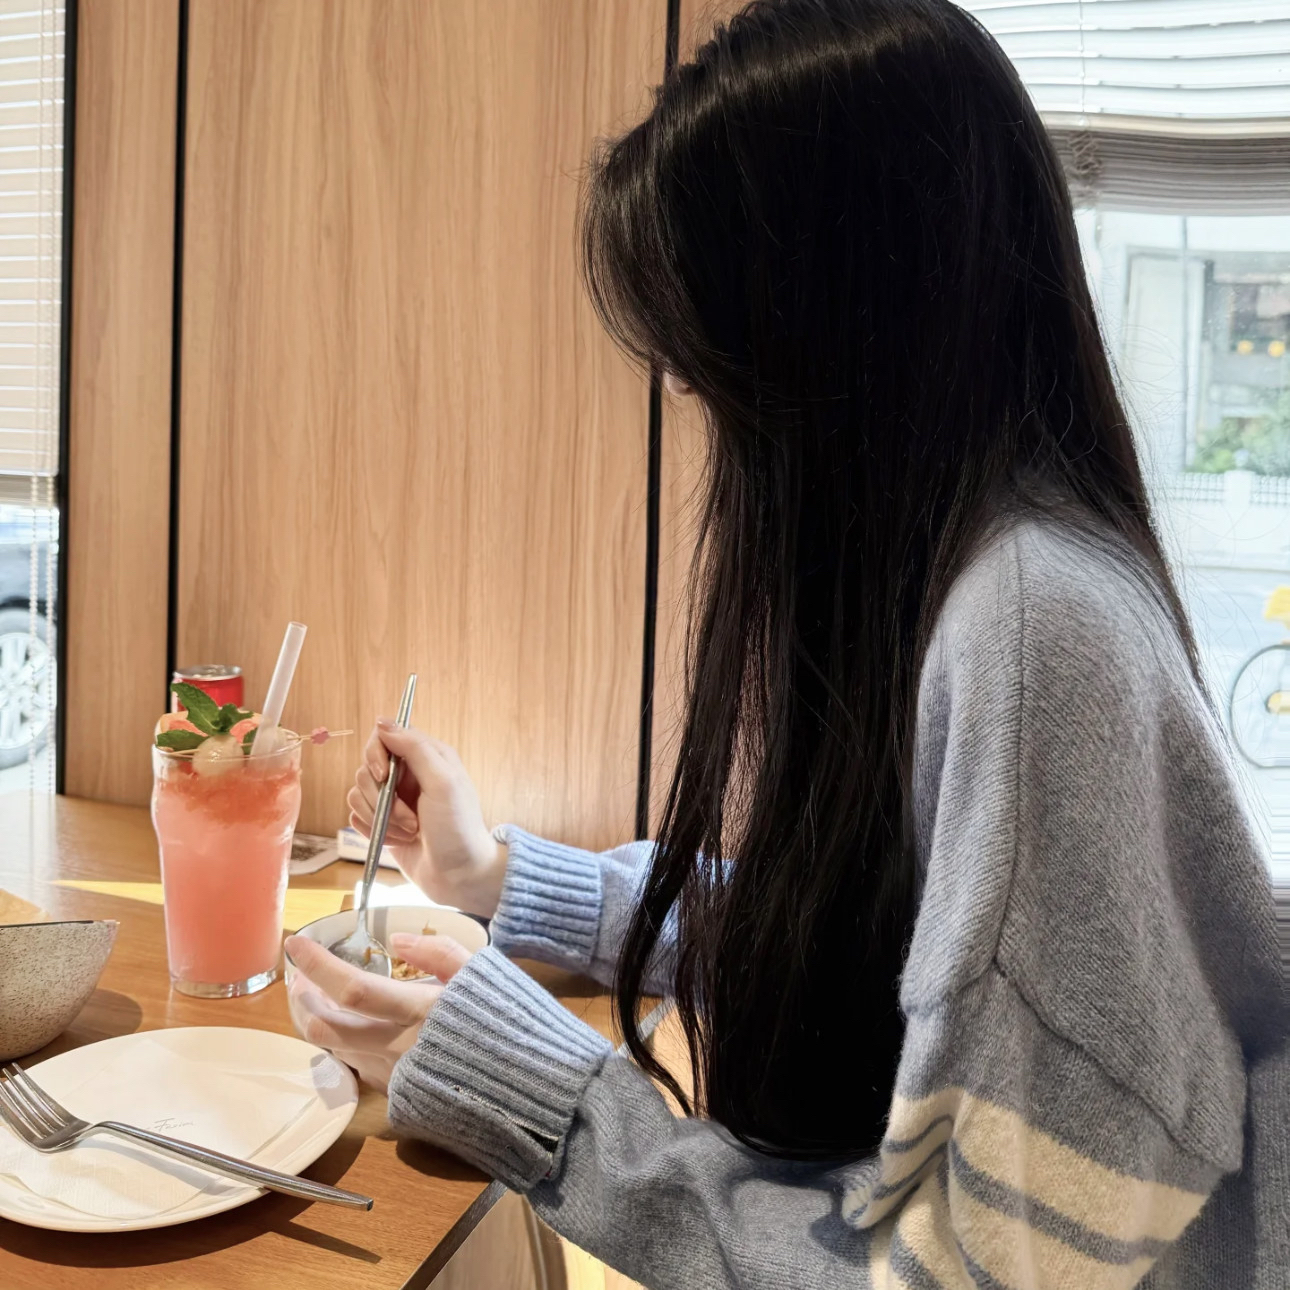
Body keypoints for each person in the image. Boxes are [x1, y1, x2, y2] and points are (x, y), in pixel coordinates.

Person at [284, 1, 1289, 1284]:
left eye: (709, 359)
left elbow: (952, 1273)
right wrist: (508, 880)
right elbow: (874, 950)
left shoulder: (1036, 637)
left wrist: (522, 1080)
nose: (687, 397)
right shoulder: (999, 569)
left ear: (840, 334)